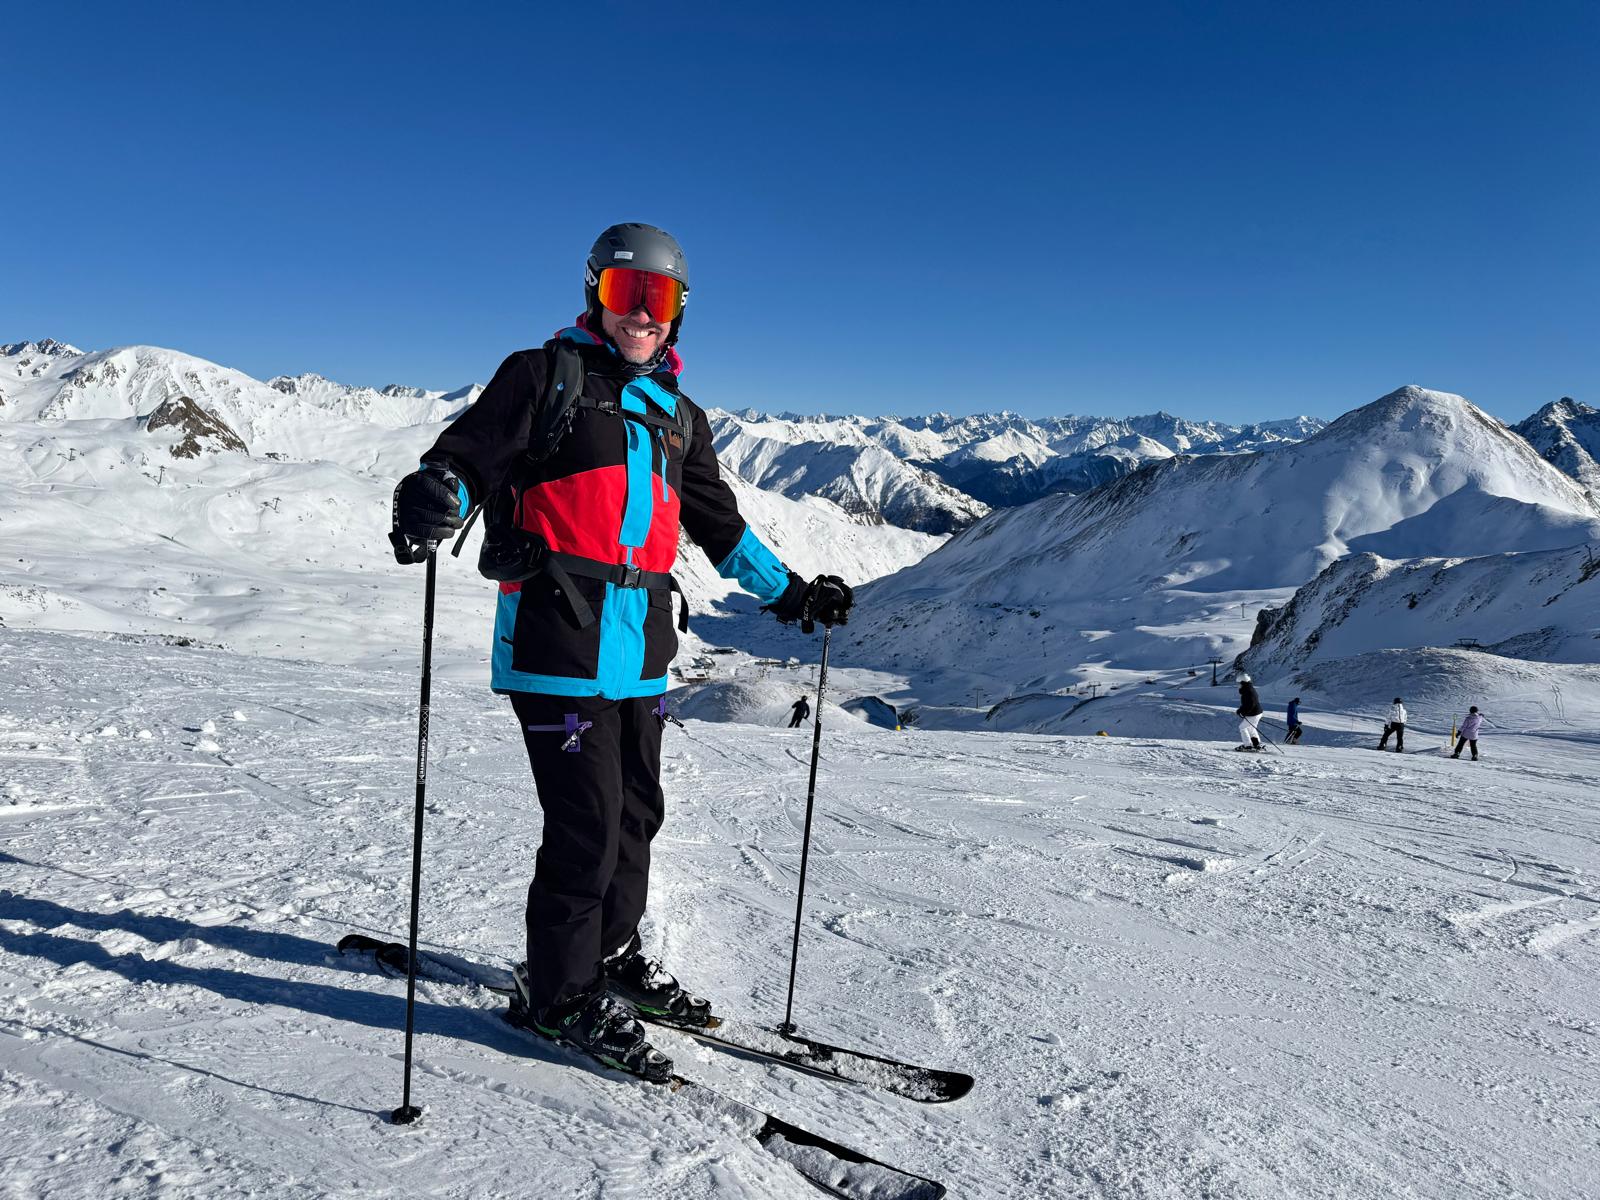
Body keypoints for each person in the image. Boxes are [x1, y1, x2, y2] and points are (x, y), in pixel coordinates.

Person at [389, 223, 855, 1083]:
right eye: (623, 294)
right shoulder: (541, 376)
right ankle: (557, 995)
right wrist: (437, 493)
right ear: (594, 293)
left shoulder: (681, 419)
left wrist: (792, 594)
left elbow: (718, 528)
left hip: (642, 651)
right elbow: (469, 457)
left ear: (679, 314)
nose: (640, 315)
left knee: (637, 814)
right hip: (556, 641)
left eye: (659, 299)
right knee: (587, 825)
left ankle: (607, 959)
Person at [1234, 673, 1264, 752]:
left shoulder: (1248, 691)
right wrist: (1240, 710)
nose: (1238, 685)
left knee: (1242, 727)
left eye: (1239, 683)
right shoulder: (1248, 689)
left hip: (1254, 713)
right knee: (1251, 728)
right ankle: (1257, 744)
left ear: (1243, 682)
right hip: (1257, 712)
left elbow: (1251, 704)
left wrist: (1243, 712)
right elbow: (1246, 704)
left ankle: (1247, 746)